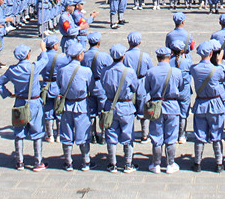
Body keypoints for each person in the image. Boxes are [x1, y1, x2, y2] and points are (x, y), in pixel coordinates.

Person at [0, 43, 51, 171]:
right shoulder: (33, 67)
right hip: (34, 102)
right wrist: (43, 49)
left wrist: (8, 94)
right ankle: (38, 161)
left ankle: (19, 161)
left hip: (19, 102)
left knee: (19, 132)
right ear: (27, 55)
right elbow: (45, 60)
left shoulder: (12, 70)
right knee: (37, 133)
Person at [144, 47, 186, 174]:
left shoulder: (151, 72)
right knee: (171, 137)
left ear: (157, 58)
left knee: (156, 137)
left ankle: (156, 164)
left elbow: (147, 88)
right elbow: (181, 87)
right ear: (170, 57)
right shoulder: (177, 72)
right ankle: (170, 164)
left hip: (156, 106)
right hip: (172, 106)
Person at [101, 43, 140, 172]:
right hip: (125, 105)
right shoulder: (129, 72)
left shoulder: (105, 71)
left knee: (111, 134)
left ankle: (112, 163)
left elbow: (103, 84)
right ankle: (128, 163)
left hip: (110, 104)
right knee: (128, 135)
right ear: (123, 56)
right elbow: (135, 87)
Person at [189, 40, 225, 172]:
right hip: (215, 104)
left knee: (199, 135)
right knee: (217, 135)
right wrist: (219, 61)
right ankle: (219, 163)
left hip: (201, 103)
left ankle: (197, 163)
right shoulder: (217, 69)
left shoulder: (194, 69)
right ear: (211, 53)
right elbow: (222, 77)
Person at [57, 41, 95, 171]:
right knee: (83, 134)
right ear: (79, 55)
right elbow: (91, 87)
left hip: (67, 105)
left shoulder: (62, 70)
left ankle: (68, 162)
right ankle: (86, 161)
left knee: (66, 134)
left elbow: (59, 85)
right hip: (81, 105)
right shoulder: (86, 71)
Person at [123, 31, 153, 143]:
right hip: (142, 83)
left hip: (129, 84)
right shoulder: (145, 56)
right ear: (140, 42)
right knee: (144, 110)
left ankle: (129, 134)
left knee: (129, 110)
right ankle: (144, 135)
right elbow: (150, 71)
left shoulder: (124, 56)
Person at [169, 40, 193, 144]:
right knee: (183, 114)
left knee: (173, 113)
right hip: (184, 90)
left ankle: (173, 134)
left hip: (173, 89)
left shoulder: (169, 61)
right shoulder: (187, 62)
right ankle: (182, 135)